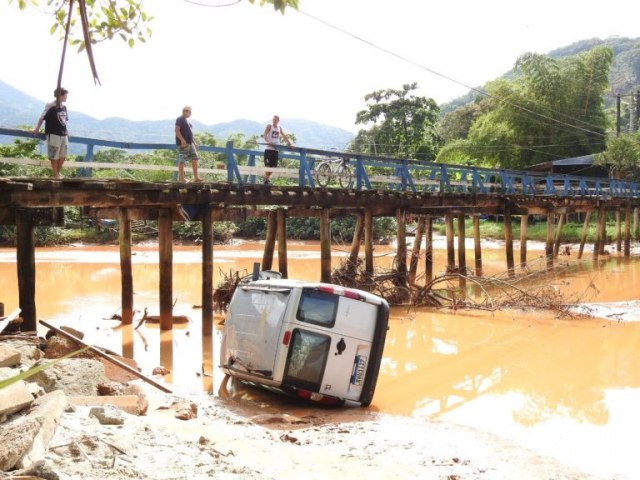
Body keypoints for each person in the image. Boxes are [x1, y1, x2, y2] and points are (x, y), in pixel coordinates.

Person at [33, 87, 69, 178]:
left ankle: (56, 173)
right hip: (53, 133)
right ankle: (55, 174)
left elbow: (64, 121)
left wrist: (67, 131)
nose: (66, 97)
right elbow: (42, 117)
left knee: (63, 155)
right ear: (60, 95)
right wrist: (37, 128)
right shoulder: (50, 105)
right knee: (54, 155)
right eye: (65, 95)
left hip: (63, 133)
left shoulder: (64, 107)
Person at [175, 106, 203, 182]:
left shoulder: (188, 121)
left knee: (195, 159)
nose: (188, 113)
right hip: (183, 144)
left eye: (189, 111)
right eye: (186, 111)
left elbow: (190, 134)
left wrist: (195, 143)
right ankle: (181, 178)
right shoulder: (180, 119)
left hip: (190, 144)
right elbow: (177, 131)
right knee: (182, 160)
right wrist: (182, 140)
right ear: (183, 111)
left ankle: (196, 177)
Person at [262, 114, 292, 185]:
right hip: (269, 149)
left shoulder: (279, 127)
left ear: (278, 121)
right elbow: (265, 135)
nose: (274, 121)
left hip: (276, 150)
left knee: (274, 167)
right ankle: (266, 180)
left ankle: (266, 179)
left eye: (276, 120)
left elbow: (284, 136)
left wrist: (289, 143)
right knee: (268, 166)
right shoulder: (269, 126)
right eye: (273, 119)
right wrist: (268, 142)